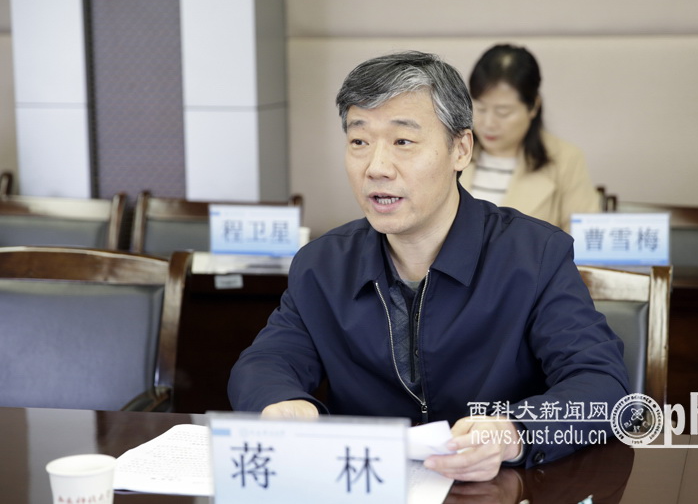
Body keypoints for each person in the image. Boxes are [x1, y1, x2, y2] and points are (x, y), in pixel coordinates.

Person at [228, 51, 629, 482]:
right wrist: (280, 403)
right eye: (359, 142)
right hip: (371, 484)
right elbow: (264, 363)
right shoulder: (323, 265)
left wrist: (515, 432)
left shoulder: (533, 255)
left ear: (461, 149)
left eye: (403, 141)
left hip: (500, 488)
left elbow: (602, 383)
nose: (376, 168)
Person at [460, 44, 600, 233]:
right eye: (481, 108)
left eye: (503, 112)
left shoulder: (566, 159)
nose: (488, 123)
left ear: (533, 106)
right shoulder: (453, 149)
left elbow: (582, 238)